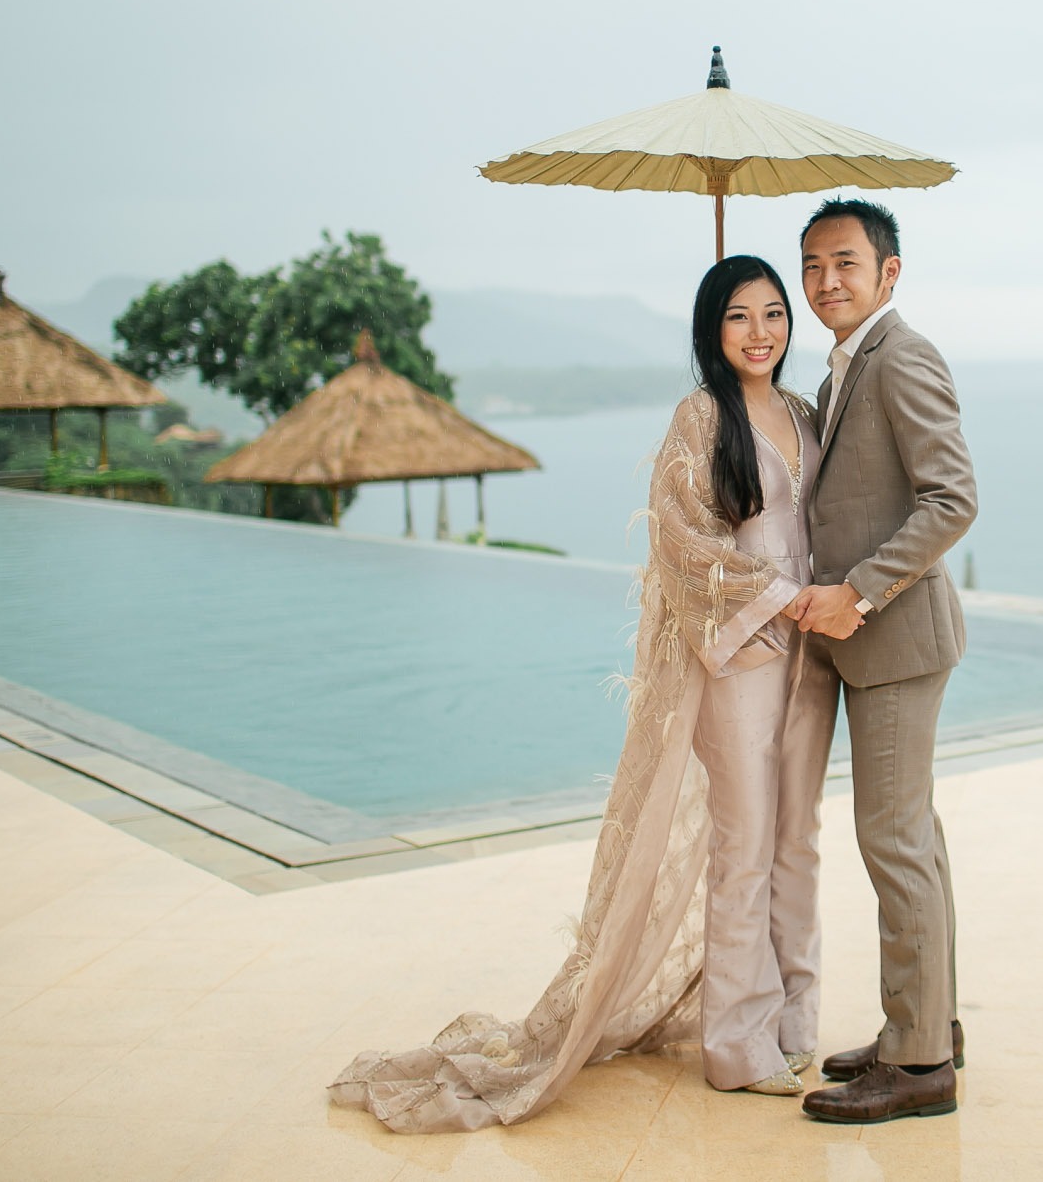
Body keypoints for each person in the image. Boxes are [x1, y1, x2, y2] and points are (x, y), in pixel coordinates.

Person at [328, 255, 840, 1131]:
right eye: (738, 317)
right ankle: (738, 1044)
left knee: (799, 838)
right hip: (745, 647)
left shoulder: (802, 411)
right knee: (744, 842)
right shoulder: (701, 415)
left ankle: (795, 1024)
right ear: (710, 331)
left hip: (814, 650)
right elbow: (681, 537)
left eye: (773, 314)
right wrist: (771, 594)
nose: (760, 333)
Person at [786, 198, 978, 1125]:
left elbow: (952, 500)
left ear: (888, 273)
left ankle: (916, 1065)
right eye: (813, 265)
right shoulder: (842, 370)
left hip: (894, 641)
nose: (828, 280)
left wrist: (855, 591)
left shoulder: (901, 357)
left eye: (847, 263)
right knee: (917, 841)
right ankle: (928, 1019)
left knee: (892, 843)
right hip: (886, 645)